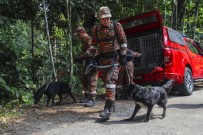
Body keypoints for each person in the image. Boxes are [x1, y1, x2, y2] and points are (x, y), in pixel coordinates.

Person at [88, 6, 128, 119]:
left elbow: (123, 41)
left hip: (115, 59)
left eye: (108, 18)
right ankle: (112, 102)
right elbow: (93, 45)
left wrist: (123, 55)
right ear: (100, 18)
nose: (106, 20)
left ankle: (107, 109)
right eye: (104, 18)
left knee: (110, 80)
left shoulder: (117, 26)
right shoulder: (96, 29)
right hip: (102, 60)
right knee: (107, 83)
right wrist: (91, 58)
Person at [74, 27, 98, 107]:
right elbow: (84, 52)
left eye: (78, 34)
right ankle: (87, 97)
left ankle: (92, 99)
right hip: (87, 62)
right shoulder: (84, 41)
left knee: (92, 79)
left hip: (92, 62)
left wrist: (80, 58)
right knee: (85, 79)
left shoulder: (89, 39)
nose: (78, 36)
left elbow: (89, 52)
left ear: (82, 32)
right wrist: (79, 58)